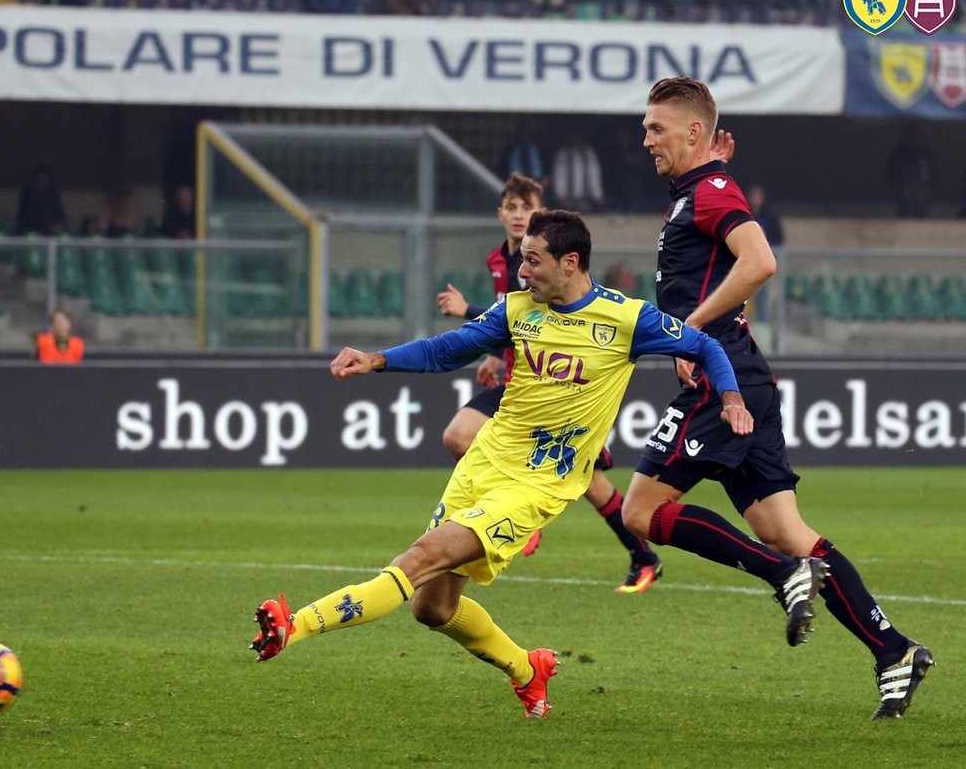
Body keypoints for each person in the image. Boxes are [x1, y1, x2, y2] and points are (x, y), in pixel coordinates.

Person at [251, 209, 783, 719]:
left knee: (420, 558)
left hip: (536, 485)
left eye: (533, 261)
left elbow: (707, 346)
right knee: (432, 607)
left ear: (570, 263)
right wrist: (377, 359)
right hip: (484, 464)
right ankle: (529, 670)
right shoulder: (516, 309)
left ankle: (294, 626)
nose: (522, 272)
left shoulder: (627, 318)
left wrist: (731, 397)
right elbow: (447, 349)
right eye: (522, 259)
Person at [624, 75, 933, 720]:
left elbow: (760, 261)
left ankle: (779, 574)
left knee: (641, 511)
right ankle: (894, 650)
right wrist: (714, 169)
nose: (646, 138)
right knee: (787, 531)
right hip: (745, 377)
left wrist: (690, 329)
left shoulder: (709, 192)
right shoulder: (700, 190)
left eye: (656, 128)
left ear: (693, 131)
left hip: (722, 379)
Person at [436, 173, 661, 592]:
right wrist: (492, 354)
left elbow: (545, 316)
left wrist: (466, 309)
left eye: (528, 207)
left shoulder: (546, 260)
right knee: (458, 435)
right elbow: (511, 320)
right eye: (512, 207)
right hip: (521, 385)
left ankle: (641, 555)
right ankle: (510, 510)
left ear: (541, 214)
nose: (519, 215)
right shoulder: (499, 261)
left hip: (557, 389)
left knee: (591, 484)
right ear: (500, 213)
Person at [746, 183, 783, 321]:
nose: (755, 199)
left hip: (764, 263)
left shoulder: (770, 216)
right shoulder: (744, 214)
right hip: (745, 263)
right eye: (753, 196)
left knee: (763, 293)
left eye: (758, 196)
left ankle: (763, 321)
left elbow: (779, 240)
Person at [886, 123, 934, 218]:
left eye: (915, 135)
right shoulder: (898, 155)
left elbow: (931, 176)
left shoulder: (925, 154)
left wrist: (925, 188)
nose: (913, 138)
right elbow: (892, 175)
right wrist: (900, 188)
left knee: (921, 214)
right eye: (910, 135)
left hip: (922, 193)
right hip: (902, 195)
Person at [550, 132, 605, 212]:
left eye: (580, 138)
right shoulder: (563, 154)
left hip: (586, 199)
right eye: (575, 138)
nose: (578, 140)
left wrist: (598, 196)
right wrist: (560, 195)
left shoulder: (589, 153)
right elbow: (559, 175)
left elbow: (594, 175)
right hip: (567, 199)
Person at [16, 163, 67, 236]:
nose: (42, 181)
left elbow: (59, 212)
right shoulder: (28, 194)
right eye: (39, 179)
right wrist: (45, 226)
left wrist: (58, 224)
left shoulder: (53, 194)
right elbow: (26, 216)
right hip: (30, 230)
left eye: (44, 178)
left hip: (50, 233)